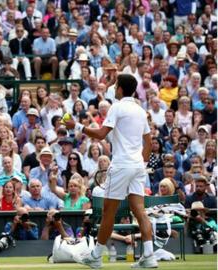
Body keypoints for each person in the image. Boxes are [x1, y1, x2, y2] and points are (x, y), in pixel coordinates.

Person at [65, 73, 157, 268]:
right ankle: (149, 256)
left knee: (108, 212)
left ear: (121, 89)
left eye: (115, 86)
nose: (114, 89)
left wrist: (77, 126)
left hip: (122, 165)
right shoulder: (140, 111)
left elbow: (100, 134)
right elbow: (149, 143)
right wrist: (142, 163)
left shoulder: (117, 107)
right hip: (137, 166)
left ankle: (96, 257)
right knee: (139, 211)